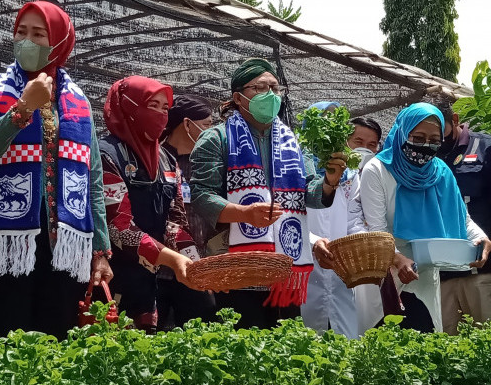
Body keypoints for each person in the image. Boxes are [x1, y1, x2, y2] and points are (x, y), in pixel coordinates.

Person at [0, 0, 112, 340]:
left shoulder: (78, 102)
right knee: (2, 345)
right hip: (4, 244)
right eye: (21, 32)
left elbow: (92, 180)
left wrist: (101, 252)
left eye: (38, 34)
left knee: (58, 346)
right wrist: (22, 109)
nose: (26, 41)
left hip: (65, 248)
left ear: (59, 42)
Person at [190, 58, 345, 329]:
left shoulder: (291, 140)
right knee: (243, 348)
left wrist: (329, 182)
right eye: (260, 88)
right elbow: (202, 195)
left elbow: (308, 192)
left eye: (275, 89)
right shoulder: (217, 138)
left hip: (284, 268)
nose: (271, 96)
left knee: (286, 351)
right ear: (238, 97)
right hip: (236, 266)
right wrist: (244, 213)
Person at [357, 103, 491, 333]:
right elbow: (376, 232)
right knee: (381, 343)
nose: (426, 146)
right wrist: (398, 260)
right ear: (402, 132)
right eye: (418, 137)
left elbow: (463, 219)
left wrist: (482, 239)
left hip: (425, 274)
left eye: (434, 139)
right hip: (385, 274)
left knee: (425, 341)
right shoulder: (378, 170)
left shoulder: (441, 172)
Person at [100, 76, 200, 334]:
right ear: (129, 106)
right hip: (108, 280)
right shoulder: (105, 154)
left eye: (165, 108)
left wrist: (197, 266)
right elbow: (119, 228)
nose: (160, 114)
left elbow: (174, 221)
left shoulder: (166, 160)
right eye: (151, 105)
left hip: (146, 287)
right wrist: (173, 259)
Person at [435, 104, 491, 334]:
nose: (433, 136)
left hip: (488, 271)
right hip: (443, 275)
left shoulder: (488, 147)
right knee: (446, 356)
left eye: (438, 127)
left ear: (454, 119)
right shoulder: (428, 155)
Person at [304, 105, 382, 338]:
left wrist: (364, 243)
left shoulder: (350, 176)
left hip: (340, 271)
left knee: (345, 341)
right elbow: (290, 218)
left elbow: (353, 218)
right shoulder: (295, 167)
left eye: (336, 127)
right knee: (303, 344)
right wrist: (314, 241)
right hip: (305, 266)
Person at [157, 94, 216, 330]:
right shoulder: (156, 158)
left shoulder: (204, 163)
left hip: (198, 266)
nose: (210, 133)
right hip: (160, 269)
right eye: (206, 126)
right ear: (187, 124)